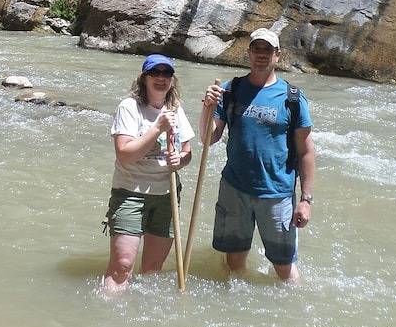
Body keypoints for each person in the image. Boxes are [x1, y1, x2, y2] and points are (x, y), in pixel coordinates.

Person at [200, 28, 316, 282]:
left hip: (276, 194)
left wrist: (306, 200)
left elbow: (306, 151)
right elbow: (209, 137)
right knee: (233, 264)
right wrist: (207, 108)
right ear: (249, 53)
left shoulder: (292, 98)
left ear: (277, 55)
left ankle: (291, 305)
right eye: (257, 49)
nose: (261, 55)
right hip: (234, 189)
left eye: (267, 50)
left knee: (284, 268)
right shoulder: (231, 90)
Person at [102, 54, 194, 291]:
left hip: (166, 196)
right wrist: (157, 128)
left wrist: (181, 160)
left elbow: (187, 152)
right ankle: (108, 308)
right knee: (122, 266)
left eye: (167, 73)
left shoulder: (175, 110)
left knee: (153, 268)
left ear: (172, 80)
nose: (161, 78)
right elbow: (124, 154)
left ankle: (143, 309)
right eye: (155, 73)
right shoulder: (129, 107)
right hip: (130, 193)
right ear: (144, 78)